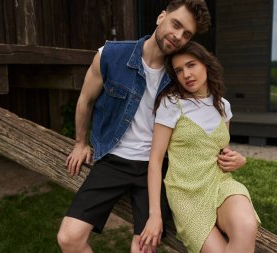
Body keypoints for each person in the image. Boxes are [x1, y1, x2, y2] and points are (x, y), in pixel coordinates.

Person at [57, 1, 211, 253]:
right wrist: (80, 142)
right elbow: (86, 99)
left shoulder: (179, 75)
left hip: (156, 169)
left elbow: (202, 112)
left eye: (187, 35)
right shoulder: (110, 55)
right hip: (112, 160)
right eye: (176, 24)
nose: (178, 37)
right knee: (68, 238)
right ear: (162, 17)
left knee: (143, 248)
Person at [139, 41, 260, 253]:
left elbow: (223, 151)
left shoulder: (223, 106)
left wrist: (239, 160)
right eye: (179, 70)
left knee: (247, 226)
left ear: (205, 64)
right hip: (186, 194)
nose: (186, 74)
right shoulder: (171, 104)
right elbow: (155, 161)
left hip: (220, 184)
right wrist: (155, 214)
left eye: (191, 64)